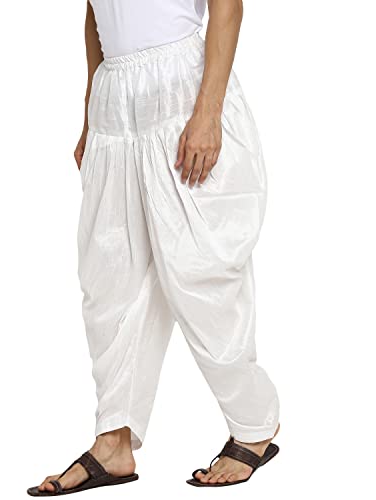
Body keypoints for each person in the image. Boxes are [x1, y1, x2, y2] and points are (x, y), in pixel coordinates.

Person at [27, 0, 280, 494]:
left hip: (183, 89)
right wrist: (90, 110)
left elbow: (227, 6)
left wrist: (208, 111)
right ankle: (113, 441)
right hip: (113, 100)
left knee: (200, 269)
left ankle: (254, 425)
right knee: (110, 278)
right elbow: (95, 13)